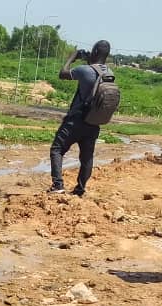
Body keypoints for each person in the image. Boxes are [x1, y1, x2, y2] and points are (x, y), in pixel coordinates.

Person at [49, 41, 113, 196]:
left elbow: (63, 74)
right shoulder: (109, 73)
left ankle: (58, 185)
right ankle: (80, 189)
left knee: (57, 149)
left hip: (75, 121)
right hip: (94, 122)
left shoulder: (84, 70)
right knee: (86, 158)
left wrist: (72, 57)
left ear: (95, 51)